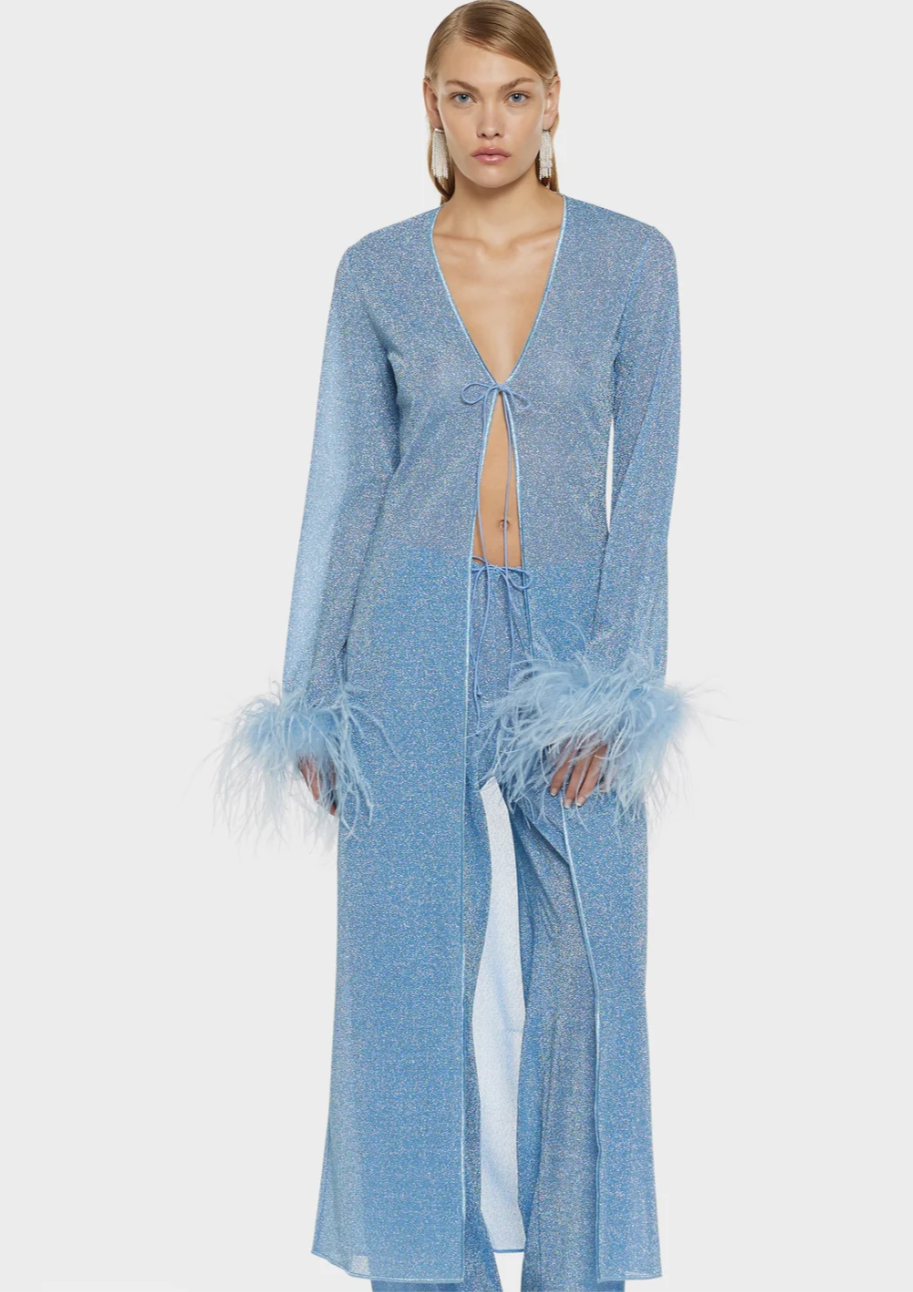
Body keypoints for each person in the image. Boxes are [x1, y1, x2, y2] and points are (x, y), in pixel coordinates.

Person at [218, 2, 697, 1287]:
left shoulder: (632, 261)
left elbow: (648, 485)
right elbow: (347, 482)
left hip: (572, 635)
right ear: (429, 106)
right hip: (408, 631)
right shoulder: (375, 271)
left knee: (590, 960)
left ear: (554, 103)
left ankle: (578, 1268)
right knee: (408, 966)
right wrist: (315, 689)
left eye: (514, 94)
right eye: (464, 95)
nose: (491, 122)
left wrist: (619, 681)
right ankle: (432, 1269)